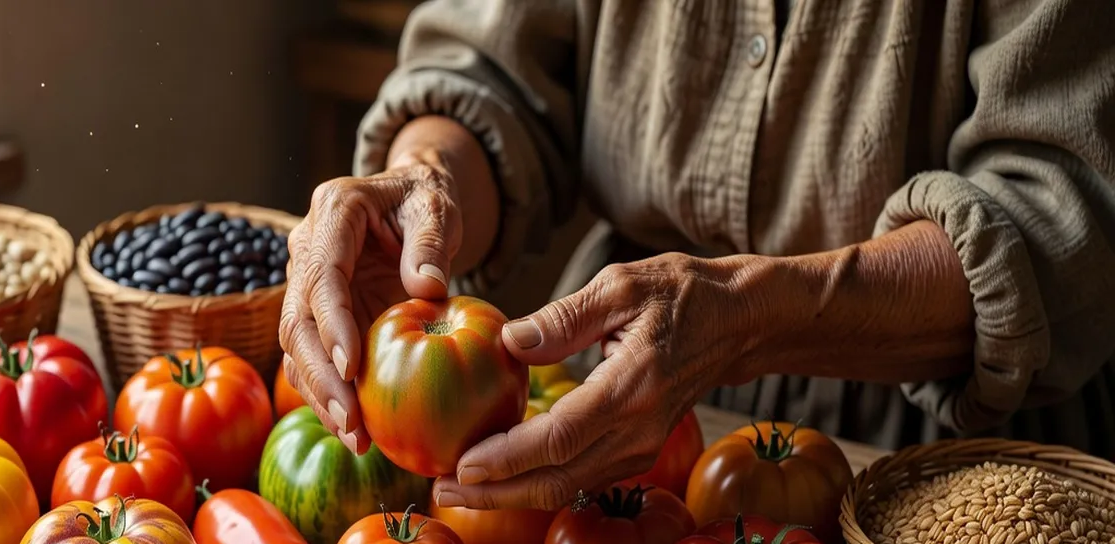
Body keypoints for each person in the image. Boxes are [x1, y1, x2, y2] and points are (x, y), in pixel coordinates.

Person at [277, 0, 1115, 511]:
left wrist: (747, 317)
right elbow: (491, 70)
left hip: (935, 442)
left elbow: (1064, 217)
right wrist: (426, 182)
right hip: (607, 394)